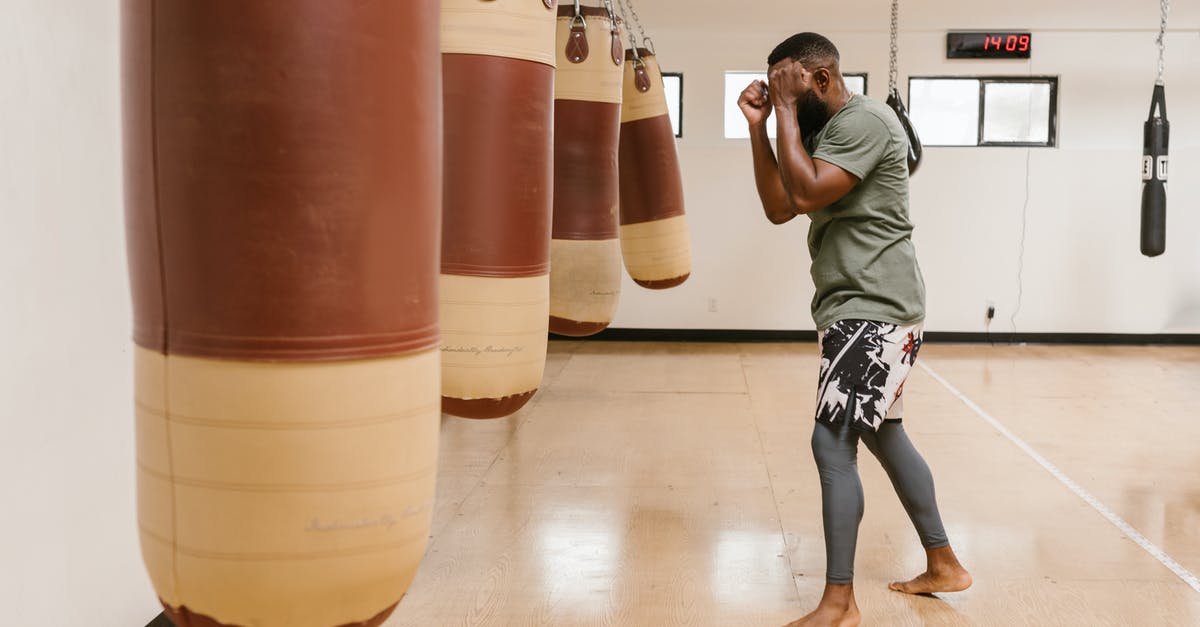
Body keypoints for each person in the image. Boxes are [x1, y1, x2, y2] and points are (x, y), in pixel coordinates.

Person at [737, 33, 972, 627]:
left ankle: (839, 603)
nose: (780, 91)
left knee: (831, 442)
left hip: (877, 307)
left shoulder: (866, 122)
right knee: (884, 434)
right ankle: (944, 562)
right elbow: (779, 205)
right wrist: (761, 126)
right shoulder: (816, 130)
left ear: (820, 78)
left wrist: (786, 111)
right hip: (853, 306)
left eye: (789, 82)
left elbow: (812, 189)